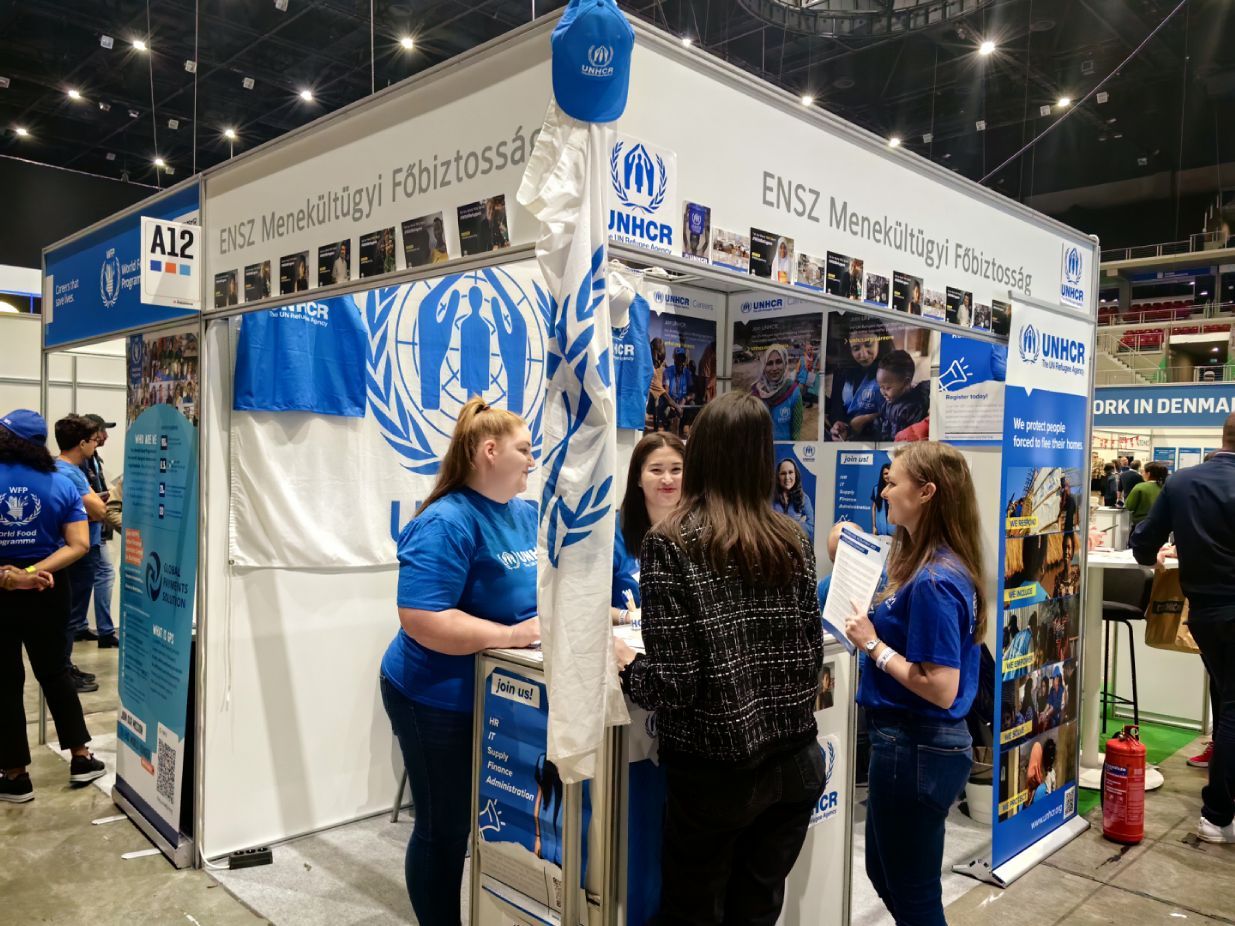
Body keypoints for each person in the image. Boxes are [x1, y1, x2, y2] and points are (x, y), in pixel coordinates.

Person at [613, 392, 825, 925]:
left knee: (693, 912)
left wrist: (627, 666)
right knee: (757, 910)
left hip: (716, 776)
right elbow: (810, 655)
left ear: (701, 452)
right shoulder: (793, 538)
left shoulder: (670, 543)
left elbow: (674, 684)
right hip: (796, 763)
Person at [378, 398, 541, 921]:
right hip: (432, 697)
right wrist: (511, 634)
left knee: (486, 823)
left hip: (495, 697)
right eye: (524, 450)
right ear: (489, 451)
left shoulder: (525, 515)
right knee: (444, 828)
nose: (532, 461)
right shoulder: (447, 521)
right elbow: (422, 618)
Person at [842, 441, 985, 925]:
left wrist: (873, 645)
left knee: (913, 892)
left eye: (893, 482)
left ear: (926, 492)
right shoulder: (928, 565)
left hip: (916, 745)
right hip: (908, 744)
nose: (884, 492)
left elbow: (941, 687)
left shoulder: (934, 580)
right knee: (887, 874)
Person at [1131, 412, 1235, 843]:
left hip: (1206, 614)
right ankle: (1217, 815)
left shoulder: (1182, 482)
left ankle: (1220, 810)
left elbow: (1143, 546)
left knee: (1225, 698)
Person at [0, 409, 106, 803]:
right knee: (55, 671)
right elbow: (79, 545)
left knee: (4, 680)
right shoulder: (60, 481)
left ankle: (15, 775)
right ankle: (81, 757)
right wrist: (33, 573)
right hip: (49, 587)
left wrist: (11, 577)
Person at [54, 417, 109, 690]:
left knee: (69, 614)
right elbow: (99, 510)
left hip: (73, 551)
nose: (97, 444)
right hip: (78, 554)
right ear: (82, 443)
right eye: (94, 440)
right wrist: (96, 503)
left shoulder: (63, 467)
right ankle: (63, 672)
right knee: (70, 616)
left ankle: (65, 667)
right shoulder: (70, 473)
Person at [612, 433, 684, 626]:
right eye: (656, 470)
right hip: (628, 638)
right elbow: (588, 602)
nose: (667, 479)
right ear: (638, 478)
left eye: (676, 470)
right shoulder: (614, 533)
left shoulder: (700, 530)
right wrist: (627, 617)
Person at [71, 414, 117, 650]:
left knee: (92, 575)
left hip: (95, 527)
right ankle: (104, 631)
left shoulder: (93, 458)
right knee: (101, 573)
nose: (105, 436)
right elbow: (85, 499)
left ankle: (80, 627)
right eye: (101, 432)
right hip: (88, 527)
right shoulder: (77, 464)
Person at [829, 321, 891, 441]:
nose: (863, 355)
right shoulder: (841, 370)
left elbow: (898, 410)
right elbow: (835, 407)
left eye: (869, 345)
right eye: (856, 348)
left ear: (880, 341)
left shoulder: (892, 368)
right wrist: (837, 425)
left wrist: (864, 420)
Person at [870, 350, 929, 442]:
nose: (883, 392)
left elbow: (908, 438)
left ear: (906, 382)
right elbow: (881, 421)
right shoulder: (890, 400)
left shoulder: (913, 408)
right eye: (880, 387)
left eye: (887, 388)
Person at [751, 345, 803, 441]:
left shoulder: (793, 391)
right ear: (764, 367)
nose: (774, 368)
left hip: (784, 449)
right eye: (769, 363)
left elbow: (796, 434)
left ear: (785, 363)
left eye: (779, 362)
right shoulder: (755, 394)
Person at [773, 456, 814, 539]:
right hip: (775, 545)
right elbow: (766, 526)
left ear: (796, 475)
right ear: (778, 477)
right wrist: (798, 524)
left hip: (796, 545)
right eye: (783, 473)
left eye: (790, 472)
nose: (787, 477)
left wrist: (781, 525)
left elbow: (810, 528)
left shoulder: (804, 499)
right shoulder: (770, 499)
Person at [1124, 460, 1166, 525]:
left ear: (1148, 474)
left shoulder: (1140, 487)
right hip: (1161, 523)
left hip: (1141, 523)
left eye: (1143, 471)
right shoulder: (1165, 488)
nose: (1142, 474)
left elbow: (1128, 506)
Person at [663, 350, 694, 436]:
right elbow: (665, 392)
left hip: (683, 403)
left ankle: (683, 427)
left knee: (692, 404)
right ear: (674, 360)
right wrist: (673, 406)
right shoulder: (668, 371)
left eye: (682, 360)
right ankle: (667, 427)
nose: (681, 362)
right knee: (665, 409)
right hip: (671, 401)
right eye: (678, 359)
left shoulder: (687, 373)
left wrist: (685, 399)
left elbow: (693, 393)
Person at [871, 462, 892, 535]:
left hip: (895, 532)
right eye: (885, 473)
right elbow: (874, 508)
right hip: (880, 531)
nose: (887, 476)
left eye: (890, 473)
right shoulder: (876, 489)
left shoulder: (898, 489)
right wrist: (874, 526)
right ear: (882, 475)